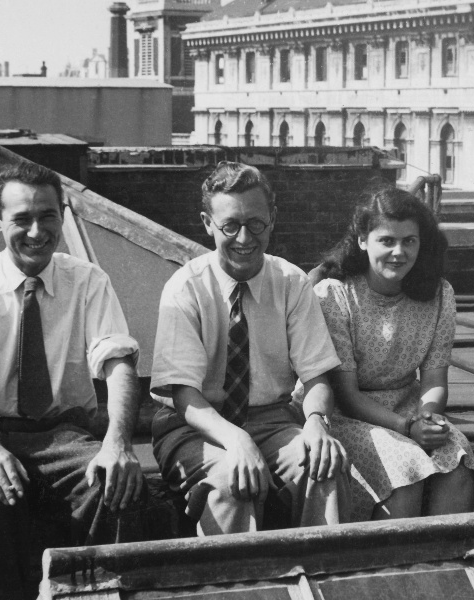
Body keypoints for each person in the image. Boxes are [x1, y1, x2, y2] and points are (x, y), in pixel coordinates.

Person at [0, 162, 144, 600]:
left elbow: (118, 362)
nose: (35, 231)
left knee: (117, 488)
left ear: (62, 216)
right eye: (21, 219)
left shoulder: (87, 280)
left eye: (47, 216)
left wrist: (117, 444)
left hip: (61, 434)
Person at [149, 161, 350, 535]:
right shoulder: (186, 287)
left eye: (256, 223)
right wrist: (234, 438)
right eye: (230, 226)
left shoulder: (291, 282)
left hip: (272, 420)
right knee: (232, 482)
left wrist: (315, 423)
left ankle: (318, 583)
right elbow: (184, 395)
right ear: (208, 223)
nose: (244, 238)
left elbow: (317, 376)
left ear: (272, 219)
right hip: (195, 426)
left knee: (325, 468)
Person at [312, 187, 474, 521]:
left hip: (408, 406)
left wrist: (426, 418)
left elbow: (434, 379)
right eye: (387, 240)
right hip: (348, 415)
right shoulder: (334, 294)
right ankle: (397, 567)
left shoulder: (440, 295)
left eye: (409, 241)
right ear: (363, 240)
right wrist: (405, 427)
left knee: (457, 458)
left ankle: (446, 565)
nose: (398, 252)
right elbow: (346, 394)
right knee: (405, 467)